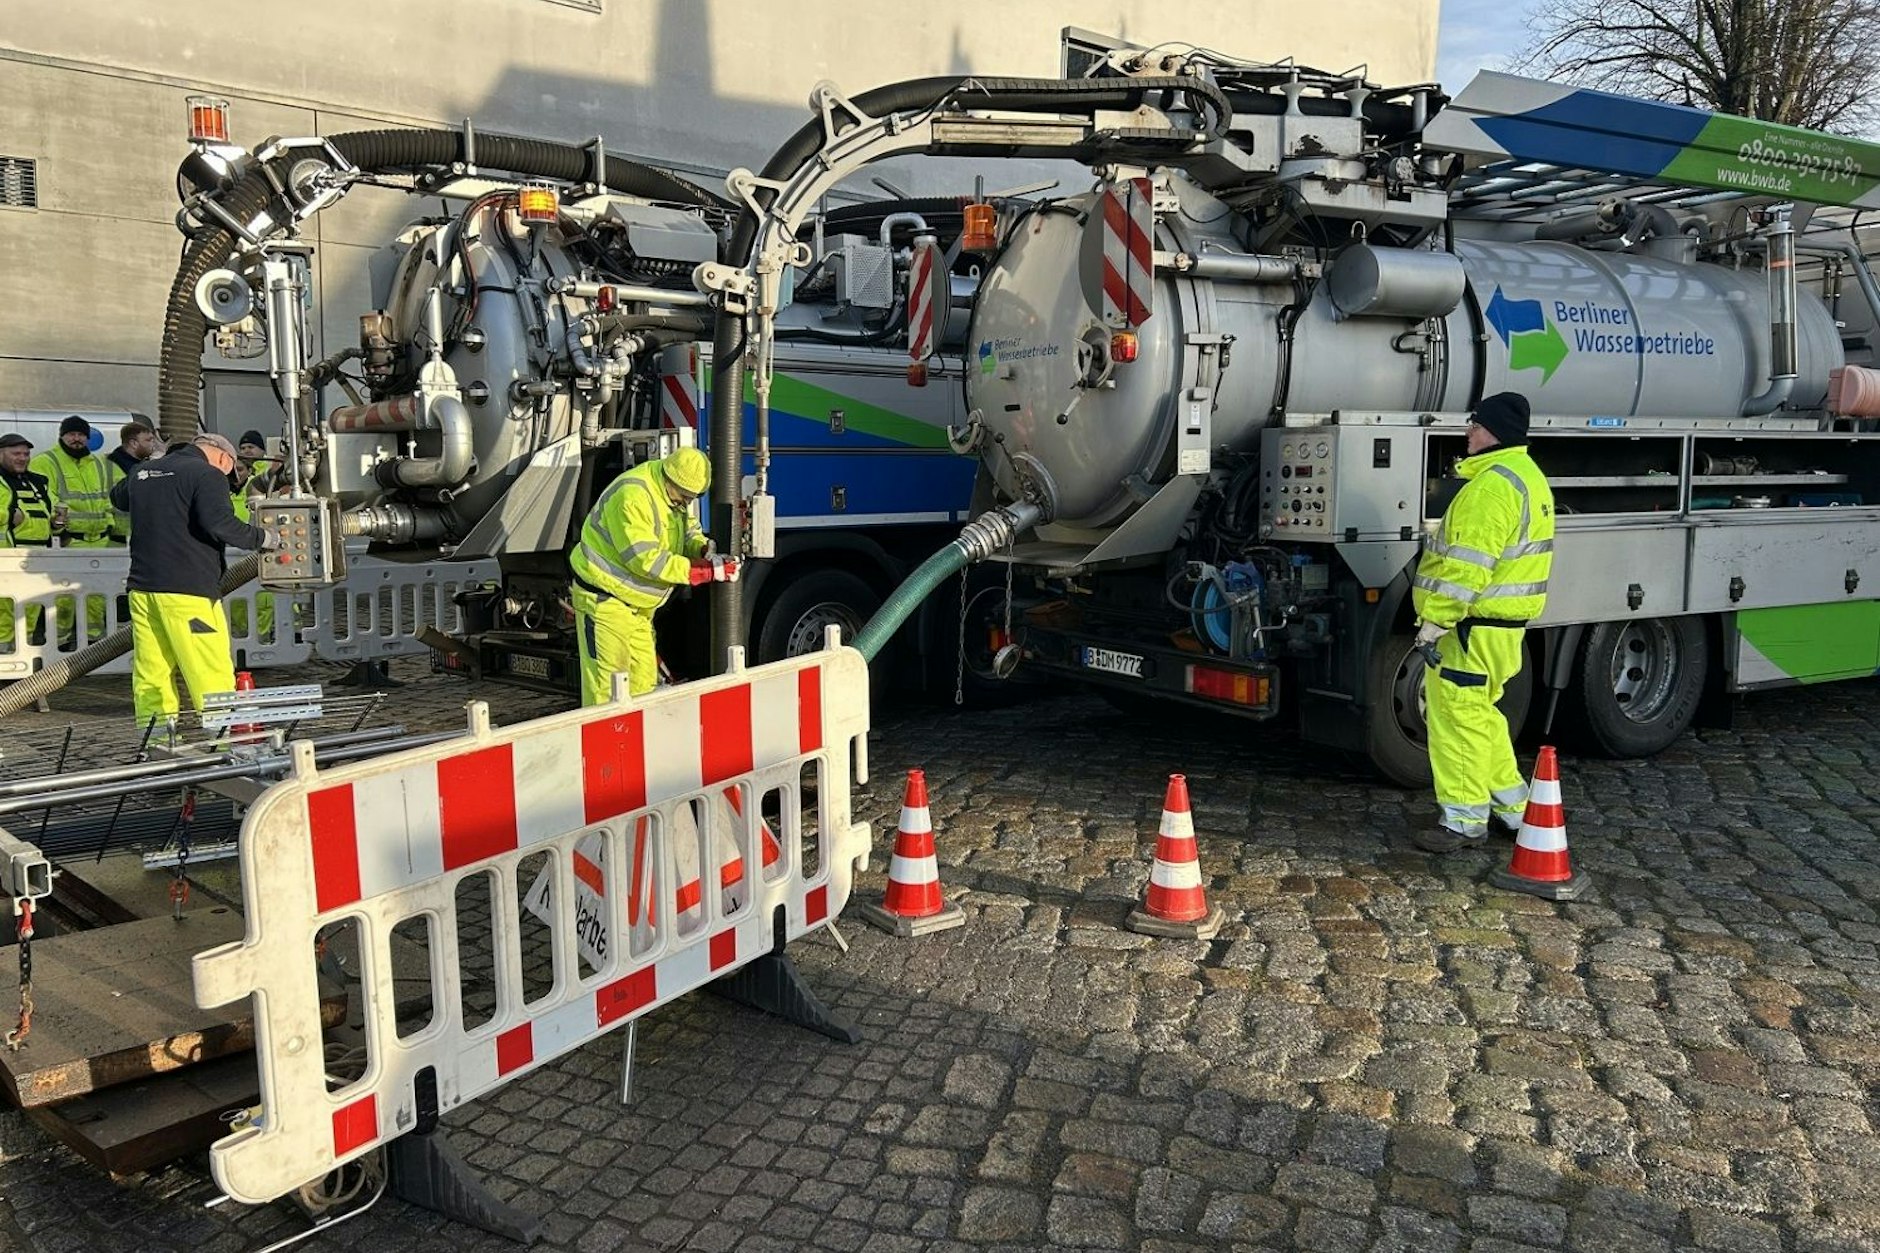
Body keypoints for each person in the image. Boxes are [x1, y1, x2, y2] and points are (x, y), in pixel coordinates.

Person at [1410, 392, 1555, 852]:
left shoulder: (1491, 488)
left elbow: (1467, 569)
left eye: (1473, 424)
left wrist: (1434, 621)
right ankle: (1515, 809)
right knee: (1479, 714)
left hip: (1471, 626)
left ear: (1492, 432)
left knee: (1457, 718)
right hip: (1498, 628)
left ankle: (1463, 820)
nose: (1467, 432)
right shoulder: (1527, 477)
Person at [123, 432, 278, 727]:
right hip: (188, 592)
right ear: (223, 457)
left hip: (143, 590)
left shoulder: (142, 471)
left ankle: (155, 738)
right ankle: (223, 742)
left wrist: (155, 461)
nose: (227, 479)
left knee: (151, 672)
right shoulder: (207, 474)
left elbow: (119, 497)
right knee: (210, 670)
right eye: (229, 472)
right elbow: (219, 523)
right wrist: (265, 538)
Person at [568, 446, 737, 706]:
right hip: (605, 604)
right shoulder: (633, 496)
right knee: (606, 692)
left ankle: (634, 742)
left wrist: (704, 549)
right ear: (670, 479)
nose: (686, 503)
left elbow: (687, 529)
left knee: (643, 685)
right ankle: (607, 746)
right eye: (684, 497)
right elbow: (646, 561)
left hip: (636, 608)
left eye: (691, 499)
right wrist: (704, 570)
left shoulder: (671, 493)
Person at [0, 433, 55, 652]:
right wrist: (8, 515)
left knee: (32, 606)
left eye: (26, 453)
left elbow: (47, 511)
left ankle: (26, 658)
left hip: (36, 559)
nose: (22, 458)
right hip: (6, 558)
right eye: (16, 453)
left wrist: (56, 522)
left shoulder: (37, 482)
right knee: (4, 610)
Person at [107, 418, 159, 541]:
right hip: (118, 537)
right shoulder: (111, 466)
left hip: (141, 534)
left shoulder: (144, 465)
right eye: (149, 440)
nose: (153, 445)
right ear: (133, 443)